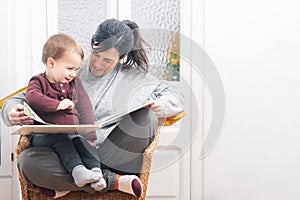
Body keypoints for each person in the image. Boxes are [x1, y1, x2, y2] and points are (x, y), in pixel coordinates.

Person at [1, 18, 183, 198]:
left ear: (122, 57)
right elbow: (25, 95)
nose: (97, 64)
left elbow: (176, 99)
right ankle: (113, 181)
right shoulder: (71, 67)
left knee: (147, 119)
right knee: (28, 162)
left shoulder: (137, 78)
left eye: (107, 60)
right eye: (96, 54)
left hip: (108, 156)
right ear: (92, 43)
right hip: (67, 154)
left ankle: (73, 182)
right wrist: (12, 110)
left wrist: (161, 105)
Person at [25, 33, 107, 195]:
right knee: (61, 139)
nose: (73, 74)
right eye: (69, 69)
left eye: (76, 69)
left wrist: (90, 136)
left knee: (82, 143)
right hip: (45, 137)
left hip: (71, 133)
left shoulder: (75, 83)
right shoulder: (38, 81)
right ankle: (78, 172)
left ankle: (97, 174)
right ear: (51, 63)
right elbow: (32, 98)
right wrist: (58, 105)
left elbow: (85, 107)